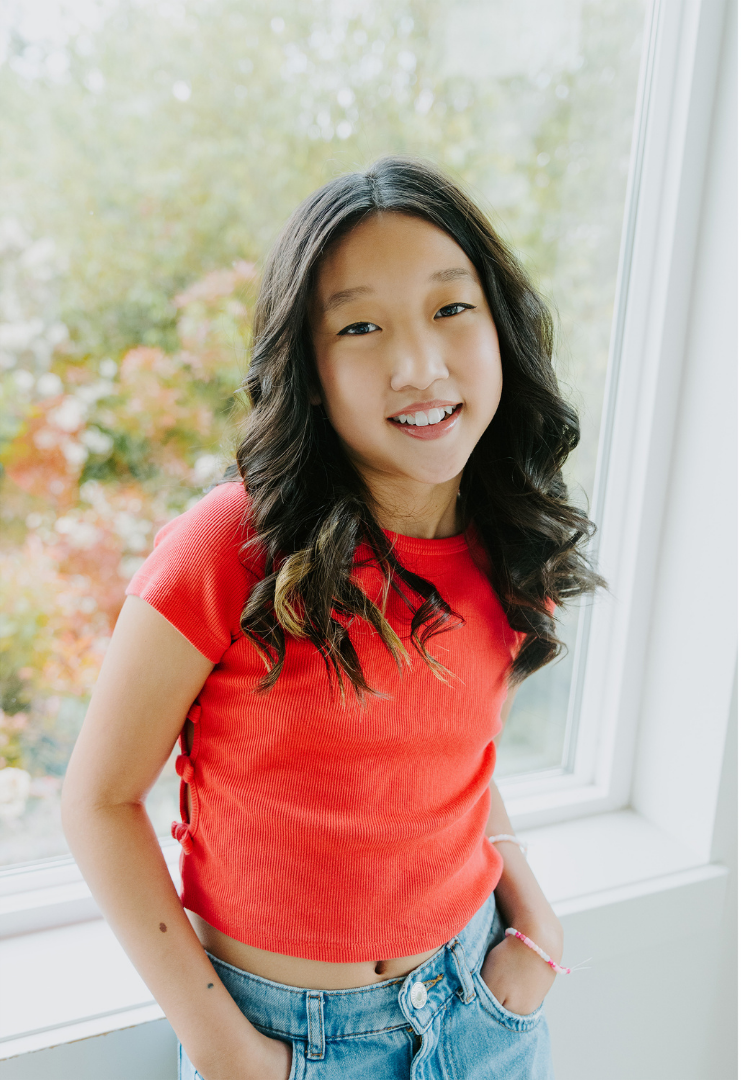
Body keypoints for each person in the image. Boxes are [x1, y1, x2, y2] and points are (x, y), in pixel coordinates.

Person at [62, 156, 606, 1079]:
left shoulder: (509, 539)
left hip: (482, 1009)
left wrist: (535, 921)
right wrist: (227, 1049)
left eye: (450, 309)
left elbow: (451, 763)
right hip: (286, 1040)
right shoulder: (230, 544)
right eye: (360, 326)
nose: (418, 365)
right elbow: (97, 802)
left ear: (501, 326)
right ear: (308, 371)